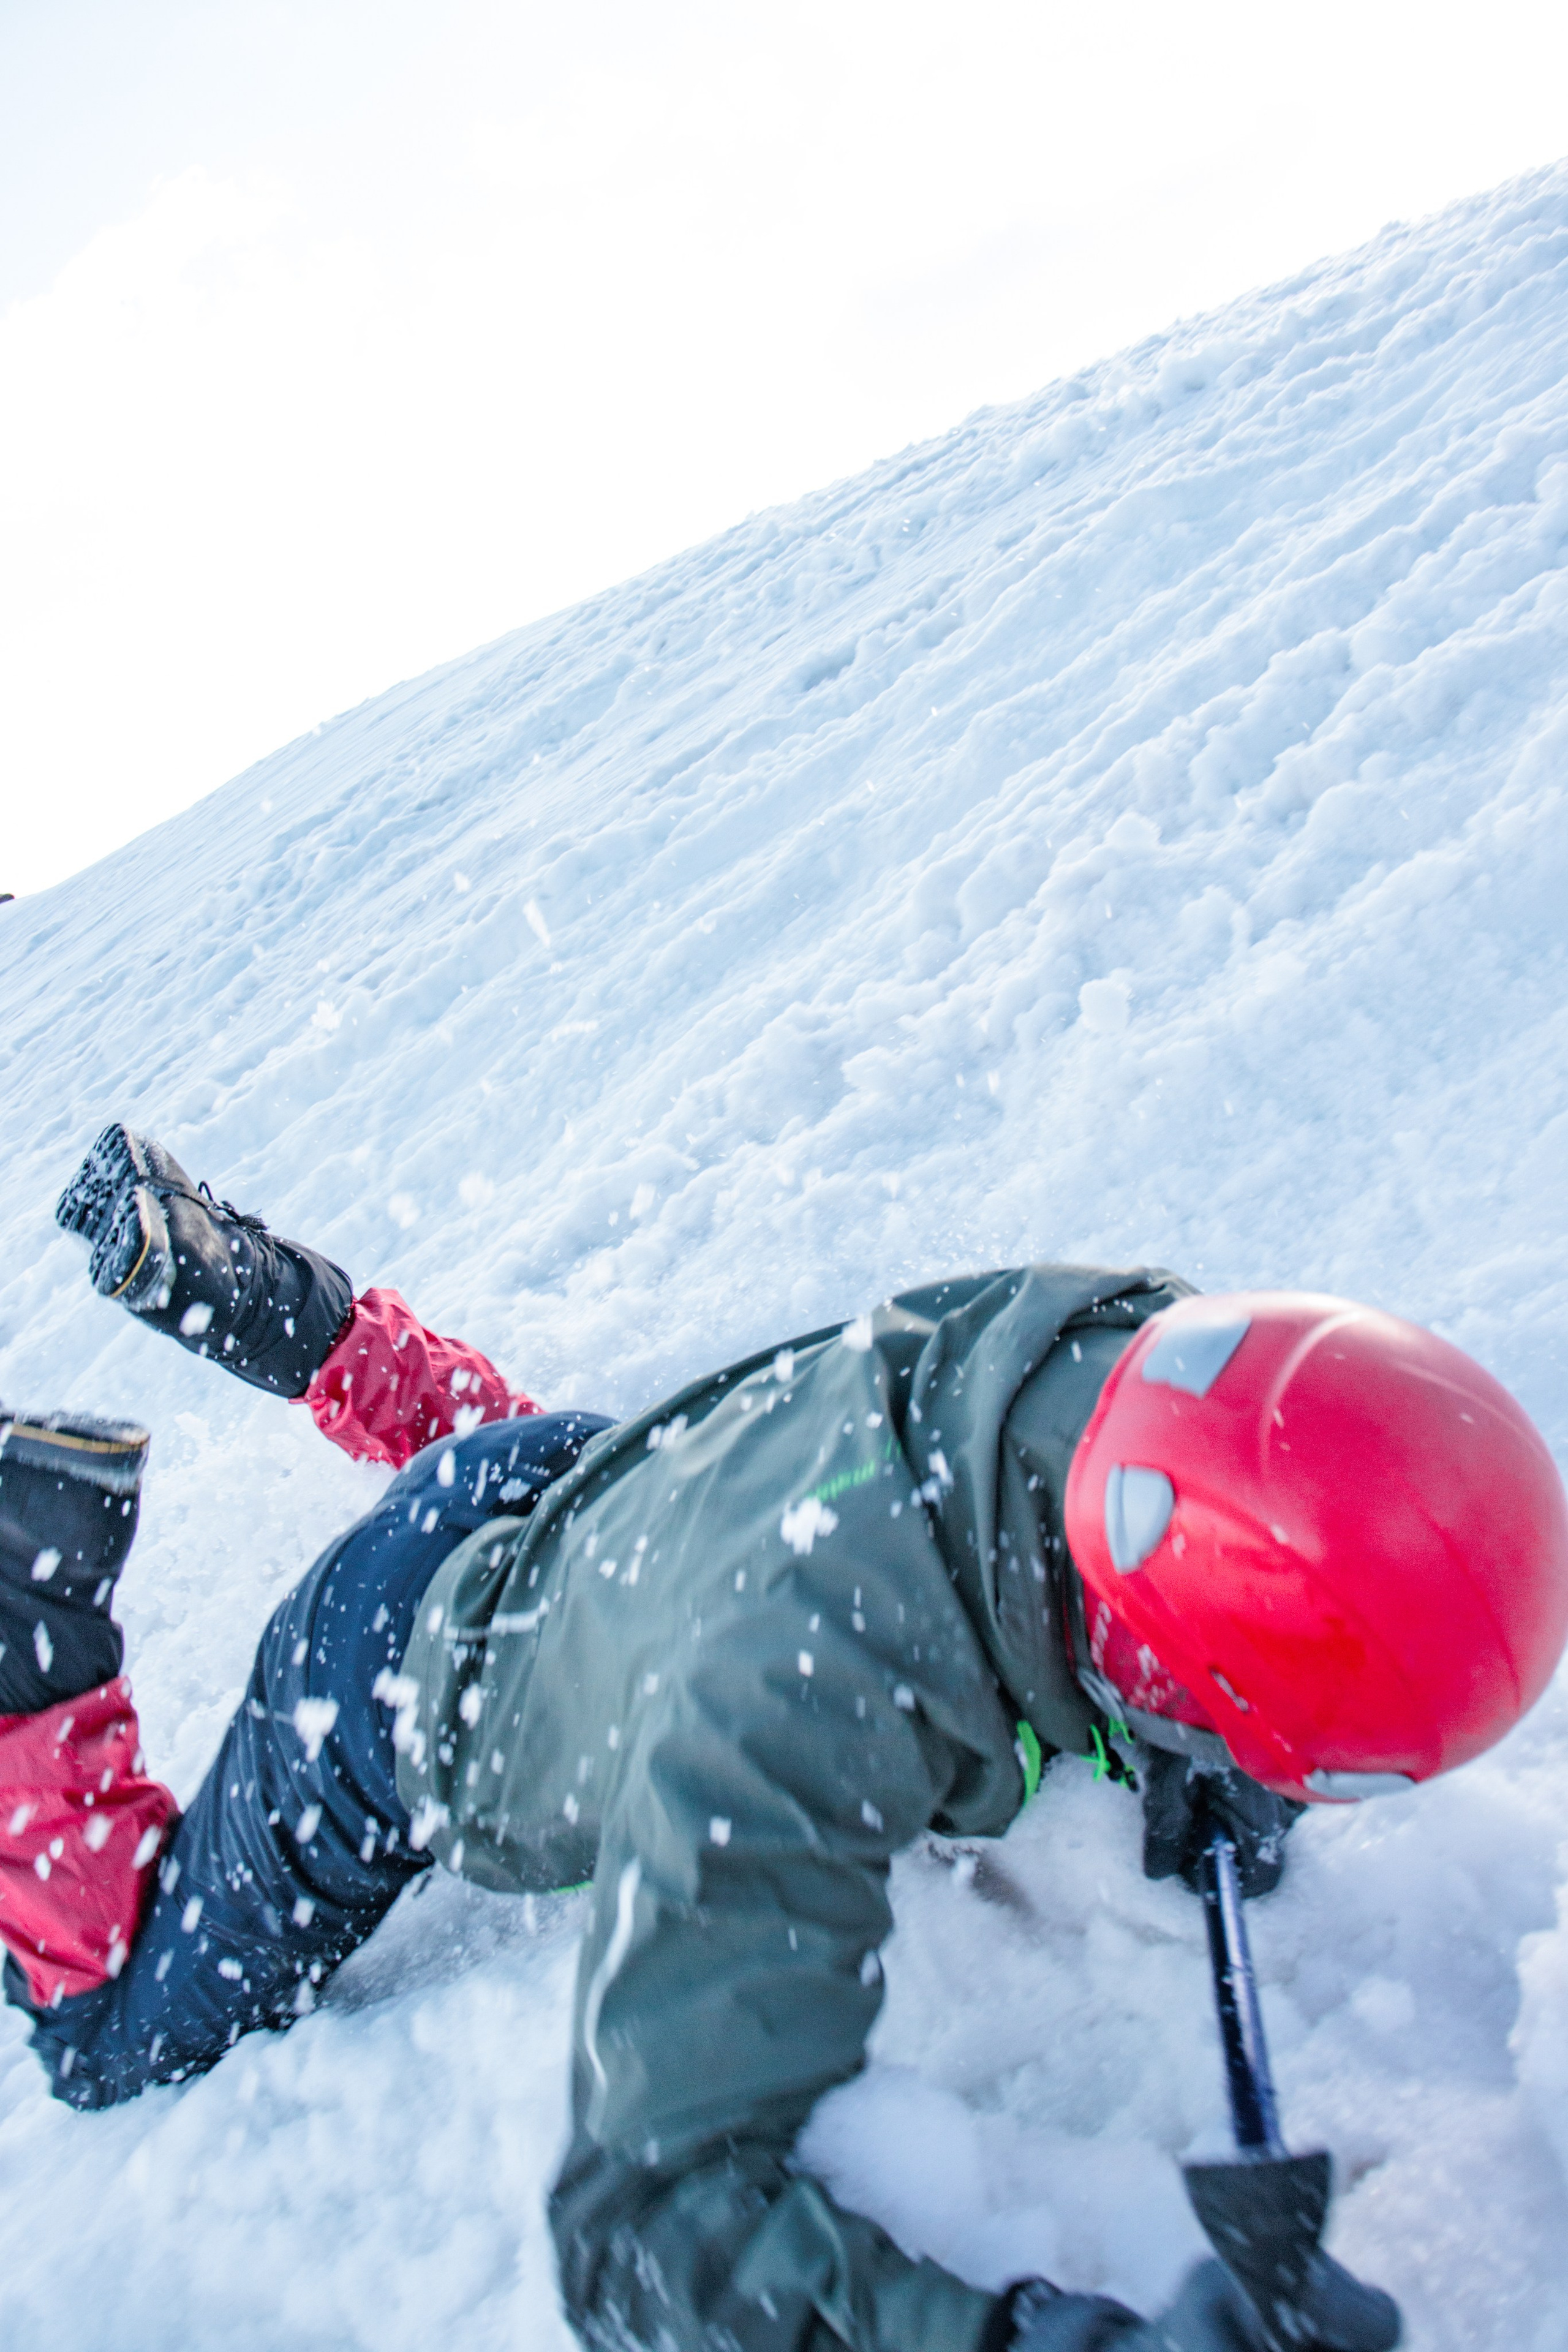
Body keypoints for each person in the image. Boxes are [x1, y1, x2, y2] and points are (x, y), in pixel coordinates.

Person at [4, 1126, 1566, 2352]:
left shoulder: (1130, 1351)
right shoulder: (802, 1700)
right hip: (397, 1668)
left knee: (545, 1493)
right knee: (111, 2030)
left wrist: (1197, 1733)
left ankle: (240, 1284)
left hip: (599, 1489)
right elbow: (646, 2228)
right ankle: (25, 1584)